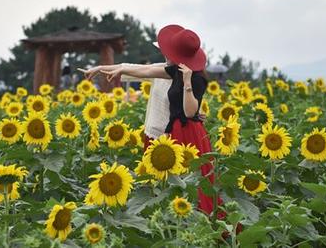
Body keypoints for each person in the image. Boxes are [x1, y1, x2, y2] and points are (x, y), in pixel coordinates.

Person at [82, 25, 222, 217]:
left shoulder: (197, 79)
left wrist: (188, 83)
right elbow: (143, 70)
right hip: (173, 132)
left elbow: (190, 112)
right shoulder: (173, 71)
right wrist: (101, 68)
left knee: (192, 183)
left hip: (189, 134)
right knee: (173, 182)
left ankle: (202, 224)